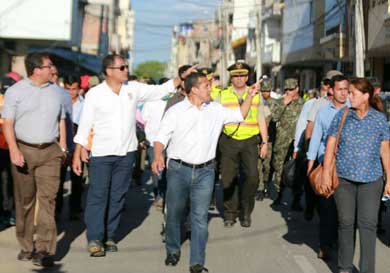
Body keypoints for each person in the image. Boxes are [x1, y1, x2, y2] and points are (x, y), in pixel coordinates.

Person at [72, 54, 196, 257]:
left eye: (126, 66)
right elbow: (84, 125)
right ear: (109, 71)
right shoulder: (95, 94)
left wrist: (179, 77)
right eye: (122, 67)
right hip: (102, 154)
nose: (126, 70)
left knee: (118, 196)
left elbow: (159, 91)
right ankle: (95, 238)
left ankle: (110, 235)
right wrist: (78, 153)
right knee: (98, 195)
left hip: (126, 153)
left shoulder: (133, 88)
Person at [152, 72, 259, 273]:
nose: (211, 89)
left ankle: (197, 262)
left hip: (205, 172)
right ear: (194, 89)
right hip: (178, 169)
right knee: (174, 213)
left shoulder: (216, 109)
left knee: (200, 217)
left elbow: (240, 115)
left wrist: (251, 96)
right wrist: (158, 155)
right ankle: (173, 250)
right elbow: (160, 138)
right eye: (206, 86)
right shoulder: (175, 111)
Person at [2, 52, 67, 267]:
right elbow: (7, 123)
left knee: (48, 200)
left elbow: (62, 120)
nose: (53, 69)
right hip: (24, 150)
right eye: (49, 66)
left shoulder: (58, 92)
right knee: (25, 201)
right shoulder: (15, 91)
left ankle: (45, 249)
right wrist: (13, 150)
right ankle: (26, 245)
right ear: (37, 69)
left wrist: (63, 147)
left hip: (50, 152)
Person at [322, 78, 390, 273]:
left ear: (366, 96)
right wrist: (327, 172)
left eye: (353, 93)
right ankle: (344, 268)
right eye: (347, 92)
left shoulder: (378, 120)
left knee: (368, 225)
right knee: (346, 223)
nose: (348, 96)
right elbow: (331, 145)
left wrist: (389, 178)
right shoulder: (342, 116)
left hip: (371, 181)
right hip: (344, 180)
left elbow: (385, 151)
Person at [217, 61, 268, 228]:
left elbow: (261, 118)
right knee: (227, 179)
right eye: (235, 76)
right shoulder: (223, 95)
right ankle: (230, 213)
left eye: (242, 75)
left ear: (247, 77)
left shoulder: (255, 94)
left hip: (250, 142)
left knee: (253, 177)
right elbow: (214, 120)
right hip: (229, 141)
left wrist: (265, 142)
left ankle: (246, 211)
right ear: (231, 78)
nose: (239, 79)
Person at [306, 75, 350, 260]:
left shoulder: (354, 110)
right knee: (327, 208)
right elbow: (316, 140)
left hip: (348, 167)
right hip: (327, 166)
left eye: (346, 89)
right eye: (339, 89)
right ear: (331, 90)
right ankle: (325, 244)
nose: (343, 93)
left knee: (345, 211)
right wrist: (310, 167)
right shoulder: (323, 112)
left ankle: (342, 245)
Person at [271, 78, 304, 209]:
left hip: (298, 142)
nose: (288, 92)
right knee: (279, 169)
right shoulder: (280, 102)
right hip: (282, 142)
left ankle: (297, 198)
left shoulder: (304, 104)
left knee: (297, 170)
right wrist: (284, 103)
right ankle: (279, 195)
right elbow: (274, 117)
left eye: (291, 89)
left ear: (297, 89)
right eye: (286, 90)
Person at [256, 78, 276, 201]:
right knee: (258, 165)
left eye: (267, 90)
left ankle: (267, 186)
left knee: (268, 166)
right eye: (263, 90)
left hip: (270, 139)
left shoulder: (276, 103)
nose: (265, 93)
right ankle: (260, 188)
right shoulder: (257, 102)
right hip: (258, 138)